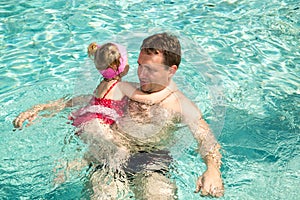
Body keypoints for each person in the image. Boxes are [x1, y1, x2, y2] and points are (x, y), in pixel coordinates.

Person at [13, 33, 224, 199]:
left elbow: (206, 138)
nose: (141, 74)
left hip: (152, 165)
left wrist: (212, 170)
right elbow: (89, 101)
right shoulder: (128, 88)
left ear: (171, 70)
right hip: (107, 162)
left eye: (150, 69)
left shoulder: (181, 105)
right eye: (140, 65)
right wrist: (43, 108)